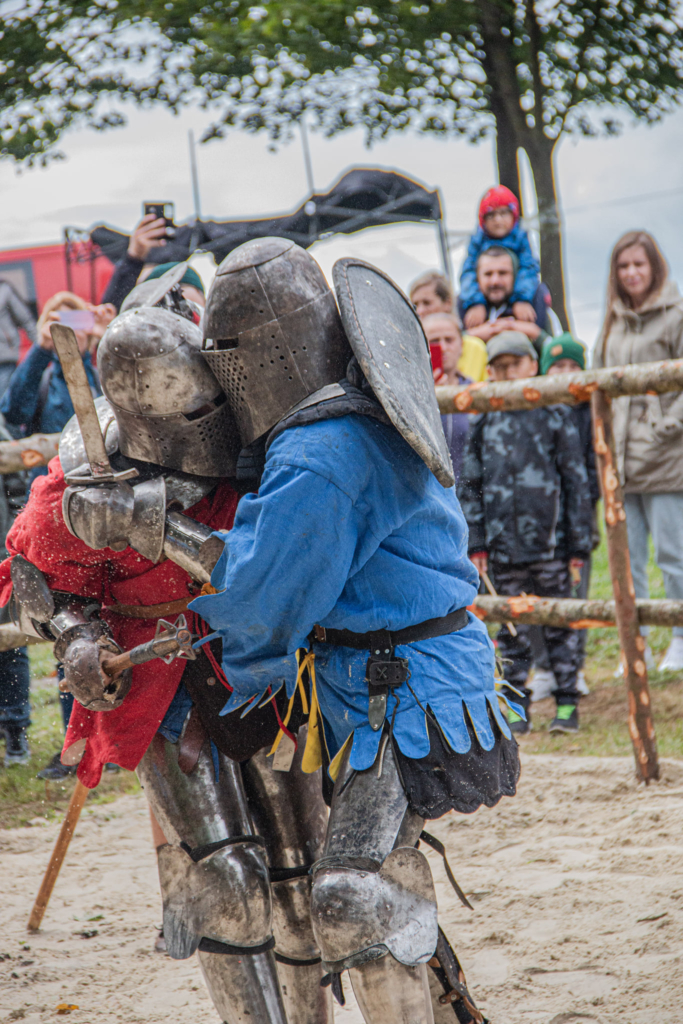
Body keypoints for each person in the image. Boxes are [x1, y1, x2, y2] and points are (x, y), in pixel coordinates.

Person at [193, 237, 519, 1023]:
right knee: (389, 877)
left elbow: (266, 591)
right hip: (383, 684)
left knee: (349, 893)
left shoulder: (322, 451)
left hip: (404, 694)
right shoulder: (351, 413)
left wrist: (157, 534)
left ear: (256, 355)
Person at [0, 286, 333, 1024]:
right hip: (157, 675)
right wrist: (77, 637)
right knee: (227, 881)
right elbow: (37, 580)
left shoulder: (261, 430)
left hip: (258, 662)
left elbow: (292, 543)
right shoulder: (86, 468)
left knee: (304, 875)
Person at [0, 291, 114, 778]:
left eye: (77, 317)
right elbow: (12, 411)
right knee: (63, 623)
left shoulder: (94, 366)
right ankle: (77, 742)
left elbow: (105, 414)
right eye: (60, 318)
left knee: (109, 623)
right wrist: (44, 348)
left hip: (104, 517)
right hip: (55, 524)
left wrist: (93, 347)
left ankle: (106, 738)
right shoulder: (42, 373)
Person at [458, 331, 593, 734]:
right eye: (498, 367)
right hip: (502, 548)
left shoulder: (555, 415)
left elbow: (575, 482)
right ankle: (516, 705)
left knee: (560, 624)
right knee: (511, 629)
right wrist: (478, 541)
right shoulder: (484, 418)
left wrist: (579, 543)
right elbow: (471, 486)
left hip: (551, 546)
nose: (507, 373)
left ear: (532, 366)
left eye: (514, 364)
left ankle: (567, 704)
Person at [594, 230, 683, 673]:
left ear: (655, 267)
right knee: (626, 559)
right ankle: (637, 644)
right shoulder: (610, 319)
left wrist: (667, 425)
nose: (631, 273)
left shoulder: (676, 314)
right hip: (620, 462)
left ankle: (681, 637)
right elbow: (597, 381)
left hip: (667, 458)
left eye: (638, 264)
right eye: (623, 266)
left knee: (672, 552)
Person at [529, 334, 600, 700]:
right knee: (538, 594)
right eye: (558, 367)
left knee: (577, 594)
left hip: (578, 521)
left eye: (574, 366)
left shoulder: (590, 412)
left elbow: (594, 467)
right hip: (539, 524)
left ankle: (577, 666)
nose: (567, 373)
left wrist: (584, 515)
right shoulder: (532, 411)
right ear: (544, 371)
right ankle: (544, 668)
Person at [459, 185, 540, 331]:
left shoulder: (520, 239)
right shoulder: (477, 241)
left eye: (503, 213)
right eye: (491, 215)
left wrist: (521, 298)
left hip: (515, 296)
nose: (498, 220)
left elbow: (528, 269)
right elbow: (468, 273)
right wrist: (475, 302)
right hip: (483, 298)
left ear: (513, 215)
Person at [463, 248, 554, 357]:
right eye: (488, 274)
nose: (495, 281)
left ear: (515, 276)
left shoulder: (537, 305)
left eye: (503, 273)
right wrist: (471, 336)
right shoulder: (462, 307)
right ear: (477, 278)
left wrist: (535, 333)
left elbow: (559, 354)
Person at [409, 270, 488, 381]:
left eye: (427, 303)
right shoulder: (408, 350)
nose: (420, 311)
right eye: (415, 305)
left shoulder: (475, 348)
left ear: (448, 303)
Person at [422, 312, 472, 483]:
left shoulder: (476, 392)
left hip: (470, 495)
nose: (443, 347)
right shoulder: (411, 394)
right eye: (434, 341)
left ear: (462, 345)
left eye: (449, 340)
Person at [0, 280, 37, 399]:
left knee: (3, 401)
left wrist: (41, 348)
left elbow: (26, 320)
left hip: (5, 357)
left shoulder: (4, 290)